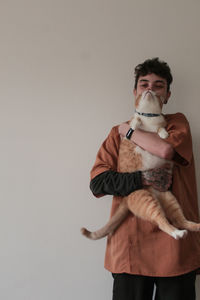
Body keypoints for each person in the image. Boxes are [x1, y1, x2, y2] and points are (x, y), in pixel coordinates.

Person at [89, 58, 200, 300]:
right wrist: (143, 179)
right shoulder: (115, 134)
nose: (150, 89)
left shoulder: (177, 123)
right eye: (144, 84)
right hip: (130, 247)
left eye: (158, 85)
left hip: (175, 248)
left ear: (168, 95)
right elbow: (97, 181)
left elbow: (166, 150)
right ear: (135, 92)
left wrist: (127, 131)